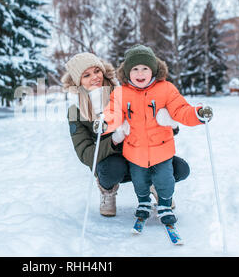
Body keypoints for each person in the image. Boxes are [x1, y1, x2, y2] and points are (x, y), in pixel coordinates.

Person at [61, 52, 192, 217]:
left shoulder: (123, 92)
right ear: (77, 81)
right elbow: (86, 155)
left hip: (142, 154)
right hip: (113, 163)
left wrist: (171, 124)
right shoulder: (76, 110)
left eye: (97, 71)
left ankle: (156, 184)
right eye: (86, 75)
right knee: (111, 169)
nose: (94, 77)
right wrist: (115, 139)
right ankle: (107, 191)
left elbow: (153, 121)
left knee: (180, 168)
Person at [99, 44, 213, 224]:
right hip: (135, 151)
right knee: (139, 180)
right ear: (128, 73)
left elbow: (181, 110)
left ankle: (165, 204)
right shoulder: (121, 93)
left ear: (153, 70)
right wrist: (105, 122)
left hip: (162, 149)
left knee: (164, 180)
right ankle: (143, 202)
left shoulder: (166, 89)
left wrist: (197, 114)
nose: (140, 73)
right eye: (135, 69)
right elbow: (113, 112)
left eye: (145, 68)